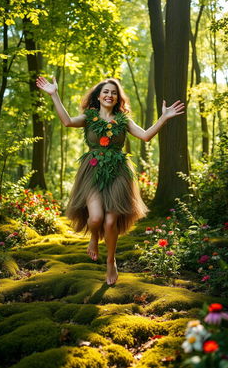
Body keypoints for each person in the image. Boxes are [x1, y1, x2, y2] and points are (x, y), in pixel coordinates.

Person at [36, 76, 185, 285]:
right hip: (92, 172)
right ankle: (93, 238)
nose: (109, 95)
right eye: (106, 91)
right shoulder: (89, 117)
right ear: (98, 96)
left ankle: (111, 261)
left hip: (118, 173)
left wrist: (164, 118)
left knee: (110, 220)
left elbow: (145, 136)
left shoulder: (123, 120)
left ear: (118, 98)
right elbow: (68, 121)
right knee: (96, 218)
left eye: (114, 93)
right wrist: (54, 94)